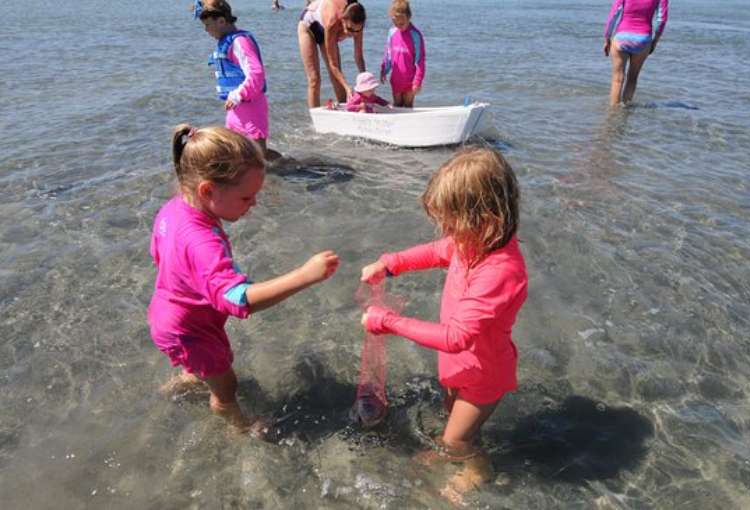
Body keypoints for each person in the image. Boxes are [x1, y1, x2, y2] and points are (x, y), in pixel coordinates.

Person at [359, 147, 528, 500]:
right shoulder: (472, 242)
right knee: (451, 414)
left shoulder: (500, 270)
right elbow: (437, 251)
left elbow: (455, 337)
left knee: (458, 439)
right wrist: (390, 264)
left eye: (452, 222)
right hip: (459, 367)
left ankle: (478, 471)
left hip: (484, 374)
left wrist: (387, 321)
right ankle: (450, 447)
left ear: (488, 218)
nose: (447, 231)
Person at [148, 125, 339, 436]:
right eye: (246, 197)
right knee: (227, 387)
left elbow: (158, 254)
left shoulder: (173, 209)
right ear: (208, 191)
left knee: (199, 366)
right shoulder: (201, 242)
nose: (254, 204)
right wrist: (305, 276)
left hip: (169, 315)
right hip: (191, 330)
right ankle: (240, 427)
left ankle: (183, 382)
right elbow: (237, 300)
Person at [195, 0, 280, 160]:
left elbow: (256, 74)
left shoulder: (240, 42)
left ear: (221, 21)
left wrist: (237, 95)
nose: (206, 30)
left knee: (257, 157)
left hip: (251, 107)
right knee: (237, 154)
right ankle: (278, 169)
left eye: (207, 25)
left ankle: (288, 169)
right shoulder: (225, 42)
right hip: (235, 110)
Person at [298, 0, 367, 108]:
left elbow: (359, 57)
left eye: (356, 31)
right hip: (308, 27)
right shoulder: (333, 22)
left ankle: (346, 113)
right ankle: (315, 119)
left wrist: (366, 82)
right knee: (314, 80)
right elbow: (333, 64)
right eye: (349, 29)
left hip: (326, 28)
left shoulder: (358, 24)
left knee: (336, 79)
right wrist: (347, 87)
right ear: (343, 20)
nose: (352, 34)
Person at [603, 0, 669, 106]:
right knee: (632, 78)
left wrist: (607, 38)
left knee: (617, 79)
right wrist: (655, 40)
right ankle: (625, 111)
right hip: (643, 39)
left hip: (621, 38)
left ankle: (613, 114)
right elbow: (662, 20)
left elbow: (614, 14)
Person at [380, 0, 425, 108]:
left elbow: (420, 60)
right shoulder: (392, 32)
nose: (398, 26)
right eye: (395, 23)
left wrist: (418, 81)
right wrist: (384, 70)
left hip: (410, 79)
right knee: (397, 105)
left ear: (409, 18)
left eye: (401, 24)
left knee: (408, 105)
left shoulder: (415, 35)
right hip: (396, 78)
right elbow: (388, 54)